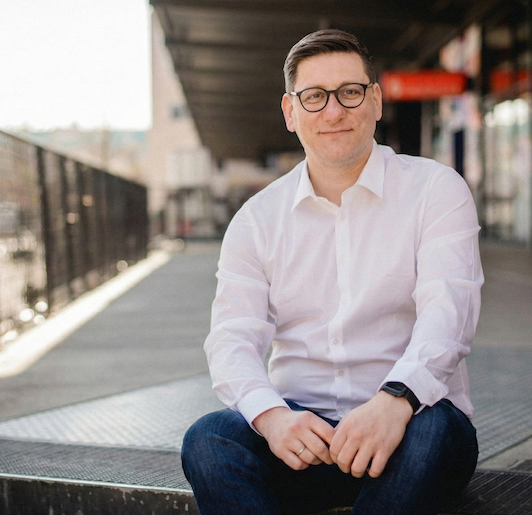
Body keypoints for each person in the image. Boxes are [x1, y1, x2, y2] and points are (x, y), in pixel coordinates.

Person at [181, 29, 483, 515]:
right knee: (209, 441)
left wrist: (395, 400)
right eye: (314, 97)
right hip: (305, 438)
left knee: (439, 431)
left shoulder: (435, 190)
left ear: (377, 101)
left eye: (350, 92)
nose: (334, 111)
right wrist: (274, 417)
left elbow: (450, 312)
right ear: (290, 112)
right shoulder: (257, 219)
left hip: (409, 427)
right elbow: (232, 338)